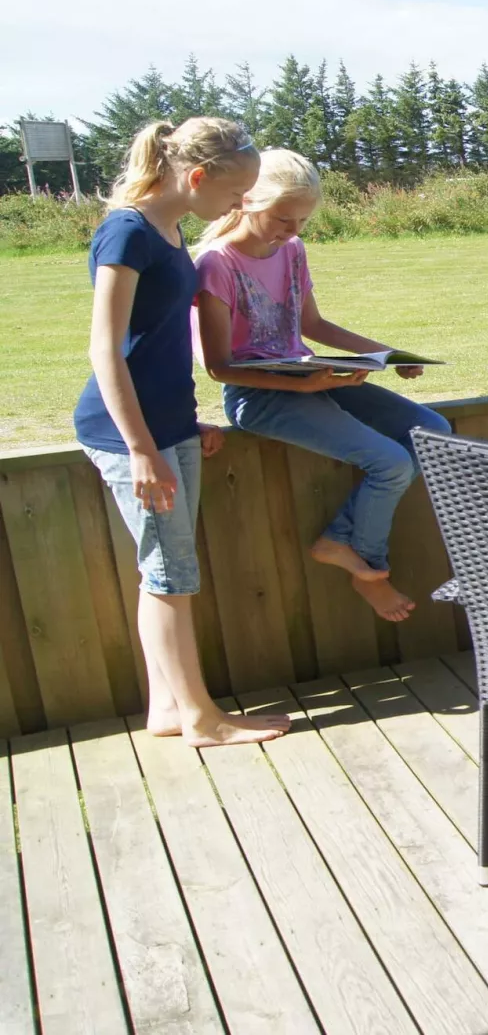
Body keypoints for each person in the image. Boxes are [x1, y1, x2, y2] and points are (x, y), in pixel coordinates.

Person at [75, 117, 290, 746]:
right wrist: (142, 448)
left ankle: (169, 709)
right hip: (130, 437)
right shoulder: (127, 232)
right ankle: (201, 719)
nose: (238, 207)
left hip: (167, 427)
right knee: (172, 575)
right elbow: (106, 352)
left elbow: (157, 344)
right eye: (233, 195)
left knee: (165, 575)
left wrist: (183, 423)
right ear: (196, 177)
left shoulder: (167, 231)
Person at [193, 149, 450, 623]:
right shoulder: (216, 264)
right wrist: (302, 388)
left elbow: (313, 324)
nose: (293, 232)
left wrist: (389, 356)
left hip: (311, 375)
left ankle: (339, 541)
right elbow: (219, 368)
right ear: (247, 201)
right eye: (283, 219)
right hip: (260, 396)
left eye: (303, 221)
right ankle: (369, 572)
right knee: (391, 463)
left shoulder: (291, 251)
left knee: (434, 430)